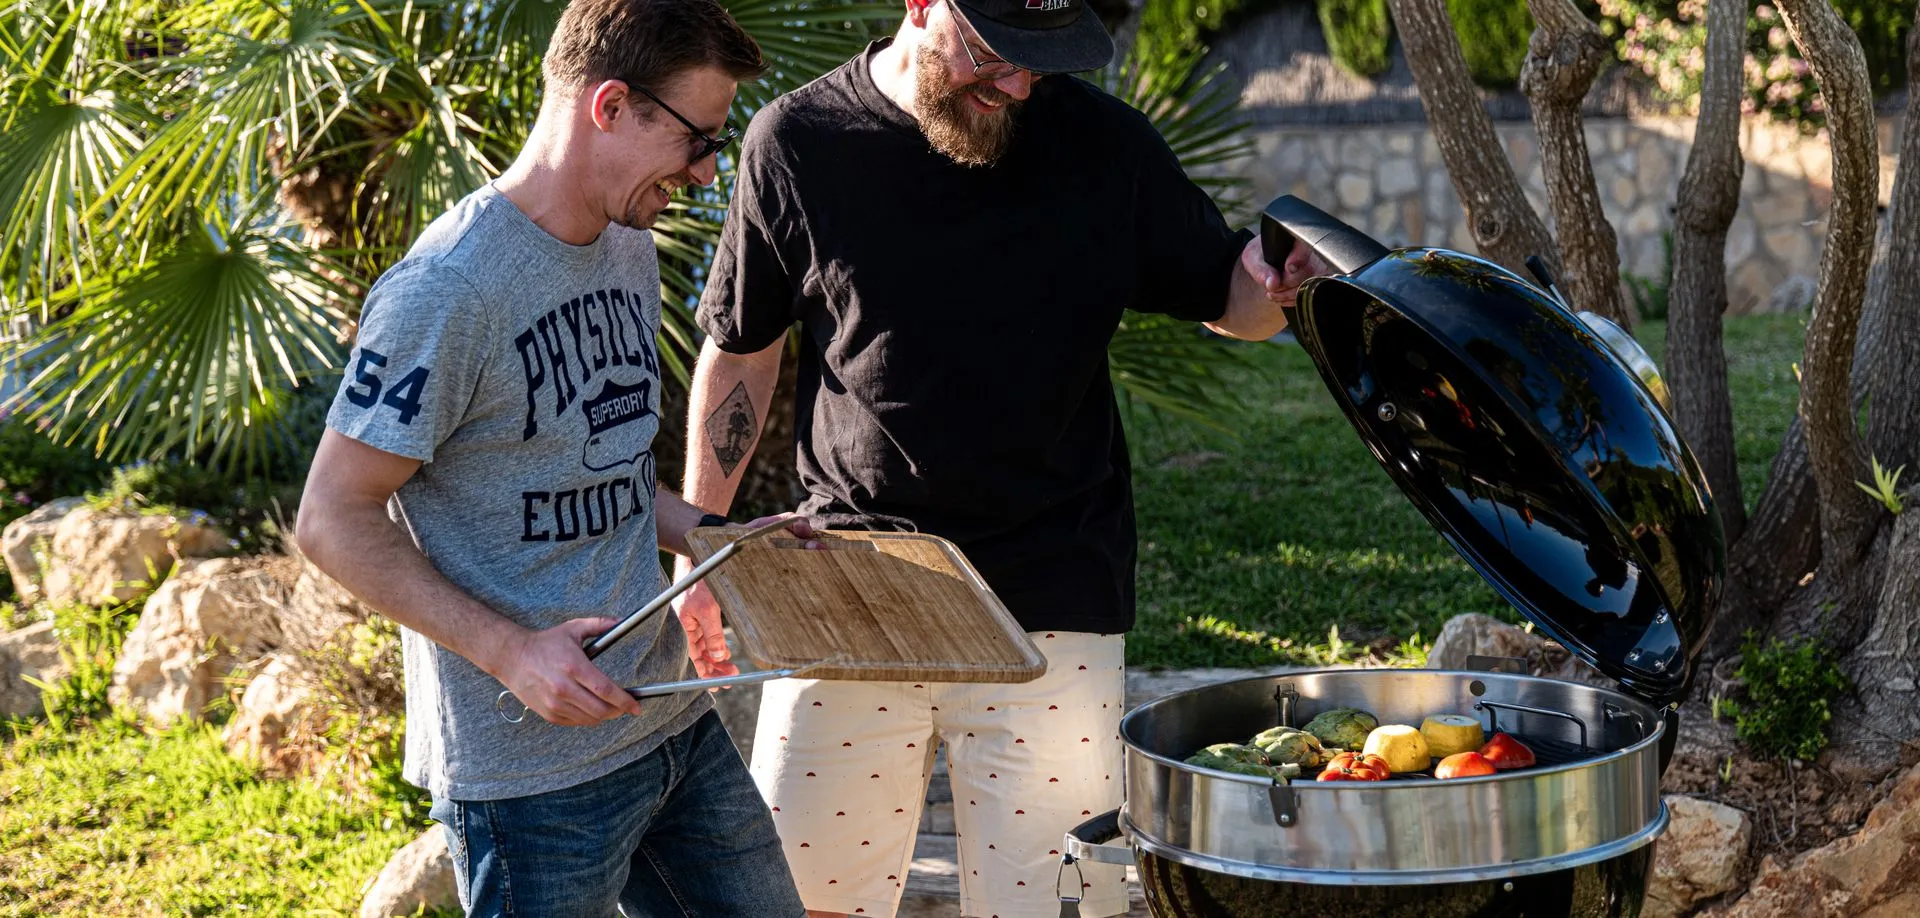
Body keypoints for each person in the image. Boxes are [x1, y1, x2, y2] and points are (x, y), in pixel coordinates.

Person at [674, 1, 1328, 915]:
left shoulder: (1105, 145)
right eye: (997, 54)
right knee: (798, 903)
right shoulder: (800, 140)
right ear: (919, 7)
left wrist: (1275, 287)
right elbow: (742, 349)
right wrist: (700, 550)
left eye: (1041, 60)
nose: (1020, 83)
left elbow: (1226, 294)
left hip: (1052, 603)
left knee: (1056, 907)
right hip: (855, 593)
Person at [294, 1, 810, 913]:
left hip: (670, 717)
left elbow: (593, 464)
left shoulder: (625, 240)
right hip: (531, 778)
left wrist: (714, 534)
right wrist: (511, 653)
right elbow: (330, 518)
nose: (704, 172)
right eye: (697, 140)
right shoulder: (447, 290)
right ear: (612, 107)